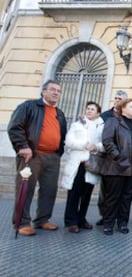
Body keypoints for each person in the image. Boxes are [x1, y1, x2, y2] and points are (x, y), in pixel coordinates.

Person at [7, 79, 67, 236]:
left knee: (49, 190)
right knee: (25, 189)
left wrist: (58, 152)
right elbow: (14, 127)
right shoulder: (28, 106)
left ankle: (42, 220)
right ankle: (22, 222)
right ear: (43, 91)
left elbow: (62, 135)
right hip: (31, 155)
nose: (56, 93)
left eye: (59, 91)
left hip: (52, 157)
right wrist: (23, 146)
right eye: (52, 89)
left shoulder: (60, 114)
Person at [100, 98, 132, 235]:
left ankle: (122, 222)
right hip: (117, 165)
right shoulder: (113, 121)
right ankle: (108, 223)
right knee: (113, 196)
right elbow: (107, 141)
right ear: (123, 108)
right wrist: (118, 156)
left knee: (127, 196)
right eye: (131, 106)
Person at [61, 101, 104, 233]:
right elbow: (69, 141)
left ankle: (81, 218)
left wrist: (96, 146)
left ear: (98, 113)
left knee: (87, 193)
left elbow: (105, 143)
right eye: (88, 109)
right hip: (78, 163)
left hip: (91, 164)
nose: (89, 111)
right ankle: (71, 221)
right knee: (74, 192)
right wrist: (85, 145)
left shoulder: (102, 127)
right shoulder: (77, 125)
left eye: (93, 109)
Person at [96, 90, 128, 226]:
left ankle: (116, 217)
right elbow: (101, 136)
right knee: (106, 191)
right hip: (108, 159)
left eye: (120, 98)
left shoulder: (129, 117)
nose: (117, 100)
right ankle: (105, 216)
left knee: (120, 191)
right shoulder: (105, 116)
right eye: (115, 98)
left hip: (124, 160)